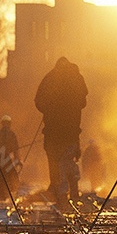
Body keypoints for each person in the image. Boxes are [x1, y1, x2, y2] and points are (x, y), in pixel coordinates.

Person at [34, 57, 88, 209]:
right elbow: (83, 101)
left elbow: (38, 101)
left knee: (55, 162)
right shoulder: (76, 78)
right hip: (71, 129)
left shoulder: (50, 77)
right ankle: (74, 193)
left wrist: (48, 110)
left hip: (53, 129)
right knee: (69, 159)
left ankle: (61, 196)